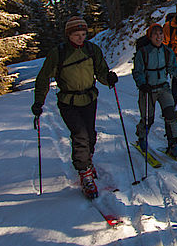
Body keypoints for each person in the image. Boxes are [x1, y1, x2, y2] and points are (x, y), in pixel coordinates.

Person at [33, 16, 118, 200]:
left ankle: (86, 161)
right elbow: (43, 78)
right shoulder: (59, 53)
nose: (81, 38)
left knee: (91, 134)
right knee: (80, 136)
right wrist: (39, 102)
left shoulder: (91, 49)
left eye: (83, 34)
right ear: (68, 35)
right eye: (77, 35)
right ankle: (85, 172)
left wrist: (108, 78)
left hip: (89, 99)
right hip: (68, 102)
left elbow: (101, 71)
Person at [133, 23, 177, 158]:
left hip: (163, 88)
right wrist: (142, 84)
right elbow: (137, 72)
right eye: (155, 34)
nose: (158, 36)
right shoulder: (143, 53)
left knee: (170, 115)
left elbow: (172, 68)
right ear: (150, 36)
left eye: (160, 34)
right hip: (147, 90)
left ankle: (173, 143)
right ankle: (142, 137)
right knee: (148, 118)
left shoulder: (167, 52)